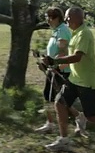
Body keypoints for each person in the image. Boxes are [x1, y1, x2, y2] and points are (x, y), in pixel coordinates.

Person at [41, 7, 95, 153]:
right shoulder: (74, 34)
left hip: (87, 81)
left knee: (91, 115)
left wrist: (55, 61)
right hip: (75, 79)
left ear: (76, 18)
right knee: (59, 103)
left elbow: (77, 57)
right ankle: (64, 140)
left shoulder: (84, 34)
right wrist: (53, 65)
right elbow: (69, 58)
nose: (66, 19)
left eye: (68, 17)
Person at [35, 7, 87, 136]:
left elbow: (63, 53)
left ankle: (74, 118)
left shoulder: (62, 31)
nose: (47, 19)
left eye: (49, 17)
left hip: (60, 70)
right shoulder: (56, 31)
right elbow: (53, 52)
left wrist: (55, 67)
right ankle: (54, 122)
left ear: (56, 17)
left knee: (56, 99)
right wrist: (44, 62)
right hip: (53, 69)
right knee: (51, 97)